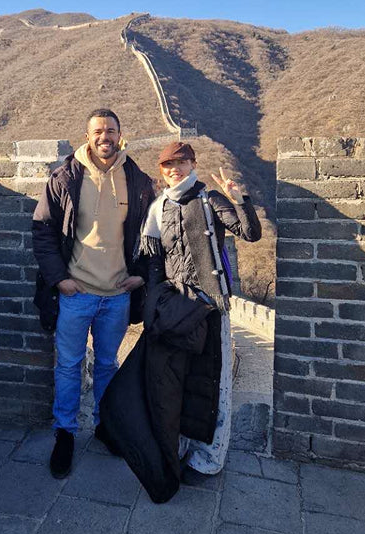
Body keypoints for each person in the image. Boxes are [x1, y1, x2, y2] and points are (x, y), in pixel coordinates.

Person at [99, 140, 261, 501]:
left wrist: (240, 198)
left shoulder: (209, 199)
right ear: (162, 170)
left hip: (210, 306)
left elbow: (250, 234)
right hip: (176, 309)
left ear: (192, 163)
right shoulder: (159, 207)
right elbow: (154, 264)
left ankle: (210, 459)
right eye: (168, 165)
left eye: (182, 162)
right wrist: (155, 303)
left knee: (214, 382)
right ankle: (179, 445)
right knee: (177, 381)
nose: (175, 169)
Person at [32, 109, 155, 478]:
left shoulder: (137, 180)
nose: (105, 137)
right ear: (88, 136)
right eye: (98, 131)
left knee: (106, 365)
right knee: (69, 365)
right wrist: (60, 279)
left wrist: (142, 277)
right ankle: (65, 434)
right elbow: (42, 231)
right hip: (76, 292)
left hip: (116, 294)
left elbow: (154, 234)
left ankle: (105, 427)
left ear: (120, 134)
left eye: (111, 130)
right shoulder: (65, 179)